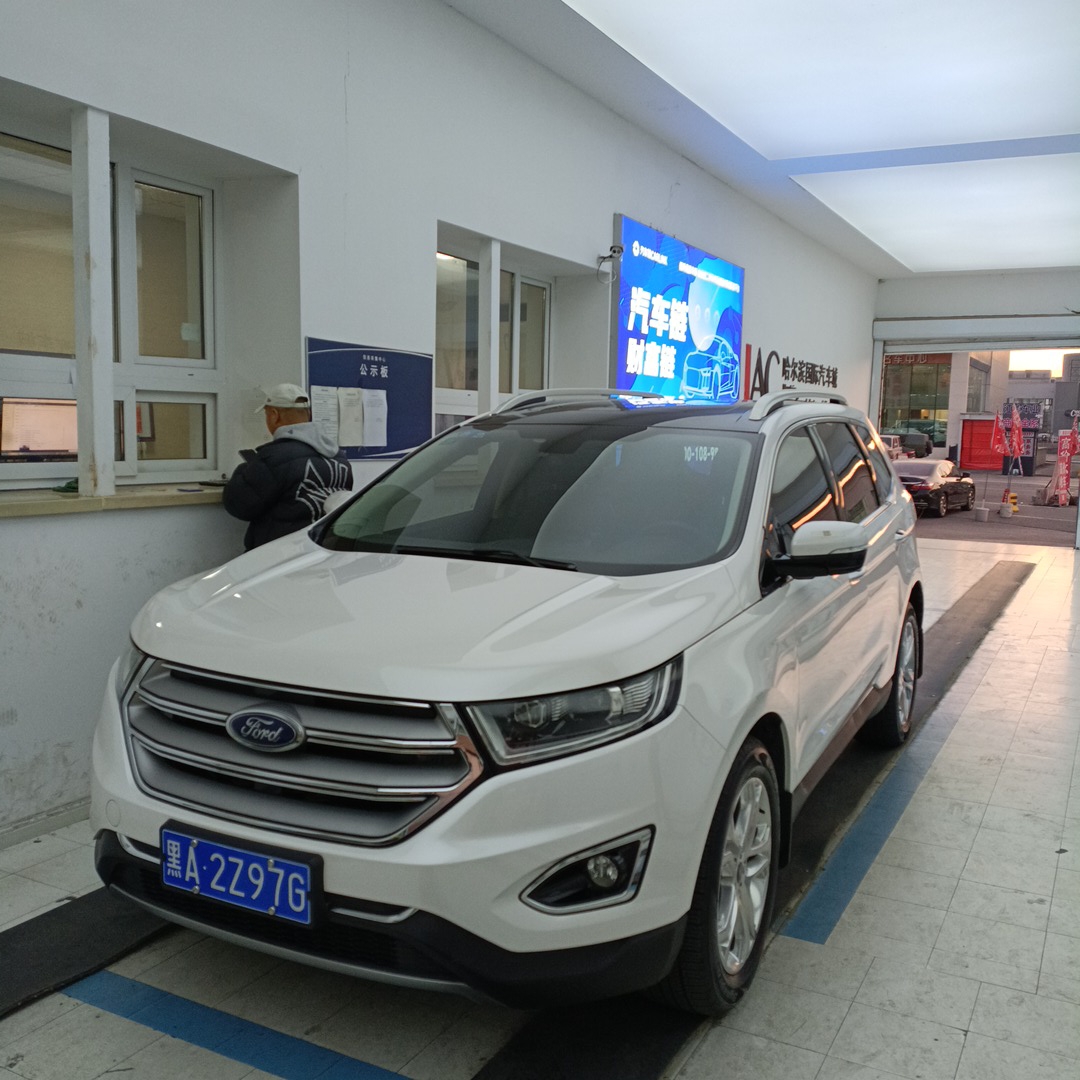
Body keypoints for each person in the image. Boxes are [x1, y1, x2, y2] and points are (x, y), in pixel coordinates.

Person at [223, 382, 353, 550]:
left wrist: (243, 470)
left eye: (267, 414)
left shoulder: (273, 457)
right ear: (308, 413)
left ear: (274, 415)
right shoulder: (338, 457)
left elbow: (239, 504)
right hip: (321, 549)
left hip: (279, 553)